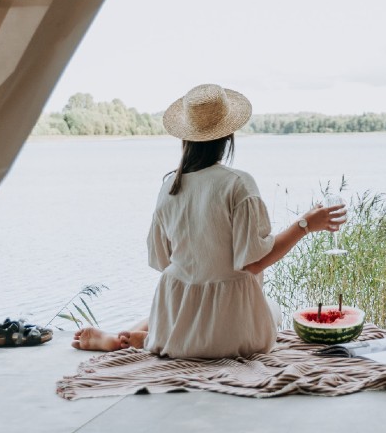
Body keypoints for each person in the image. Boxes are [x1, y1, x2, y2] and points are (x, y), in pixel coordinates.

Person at [72, 83, 345, 358]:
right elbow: (254, 262)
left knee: (185, 297)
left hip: (176, 328)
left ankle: (139, 335)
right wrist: (305, 224)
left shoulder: (168, 187)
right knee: (272, 309)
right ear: (228, 135)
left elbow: (161, 261)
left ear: (185, 137)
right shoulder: (238, 184)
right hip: (232, 336)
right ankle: (144, 335)